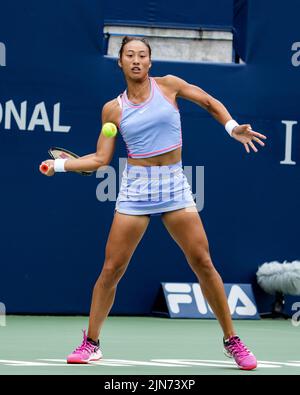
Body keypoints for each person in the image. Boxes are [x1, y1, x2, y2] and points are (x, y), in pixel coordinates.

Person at [40, 36, 266, 370]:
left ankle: (232, 340)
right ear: (120, 62)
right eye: (129, 55)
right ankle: (92, 342)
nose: (136, 60)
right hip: (135, 188)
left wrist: (232, 128)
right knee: (112, 269)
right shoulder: (113, 110)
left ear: (150, 62)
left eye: (142, 55)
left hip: (174, 184)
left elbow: (207, 101)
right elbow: (101, 158)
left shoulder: (170, 86)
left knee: (203, 261)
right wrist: (58, 165)